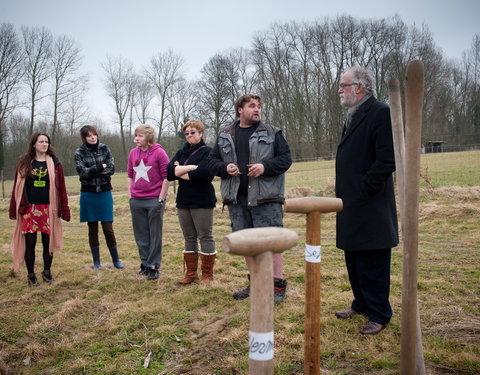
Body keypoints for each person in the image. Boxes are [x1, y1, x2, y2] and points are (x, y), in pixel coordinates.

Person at [208, 94, 292, 304]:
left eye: (259, 106)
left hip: (266, 198)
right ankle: (256, 282)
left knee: (272, 242)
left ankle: (276, 285)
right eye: (252, 106)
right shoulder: (225, 134)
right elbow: (211, 161)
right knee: (247, 243)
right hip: (237, 198)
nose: (257, 110)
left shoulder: (272, 132)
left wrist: (265, 167)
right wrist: (224, 168)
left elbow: (286, 159)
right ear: (240, 110)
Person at [334, 66, 399, 335]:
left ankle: (380, 313)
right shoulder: (352, 116)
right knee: (354, 256)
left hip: (370, 203)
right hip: (350, 203)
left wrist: (364, 188)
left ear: (359, 87)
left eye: (343, 85)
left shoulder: (380, 112)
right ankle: (360, 303)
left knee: (373, 260)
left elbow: (387, 159)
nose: (339, 90)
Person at [9, 132, 71, 286]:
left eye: (46, 142)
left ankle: (47, 272)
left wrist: (65, 209)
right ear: (34, 144)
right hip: (30, 209)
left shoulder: (55, 163)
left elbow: (61, 188)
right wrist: (13, 208)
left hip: (49, 208)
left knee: (47, 242)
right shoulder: (25, 162)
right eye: (41, 141)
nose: (44, 144)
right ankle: (31, 275)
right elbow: (17, 186)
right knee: (30, 243)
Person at [167, 120, 217, 285]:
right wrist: (190, 168)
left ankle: (207, 275)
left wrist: (179, 169)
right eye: (187, 133)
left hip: (202, 199)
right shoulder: (181, 152)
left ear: (201, 133)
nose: (189, 135)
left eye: (193, 132)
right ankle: (191, 274)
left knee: (205, 236)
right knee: (189, 236)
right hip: (183, 199)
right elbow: (169, 172)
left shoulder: (208, 152)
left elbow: (204, 174)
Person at [74, 125, 124, 270]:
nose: (92, 137)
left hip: (104, 192)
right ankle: (96, 262)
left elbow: (111, 169)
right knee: (92, 229)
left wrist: (95, 171)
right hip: (88, 194)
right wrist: (100, 167)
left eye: (94, 134)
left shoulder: (105, 149)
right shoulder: (79, 152)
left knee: (108, 229)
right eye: (89, 135)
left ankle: (116, 260)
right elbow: (82, 172)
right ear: (84, 138)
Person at [128, 124, 170, 280]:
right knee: (141, 235)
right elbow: (130, 175)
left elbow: (167, 176)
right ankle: (145, 263)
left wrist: (161, 197)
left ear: (149, 137)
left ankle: (154, 266)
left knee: (155, 235)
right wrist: (130, 196)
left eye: (140, 136)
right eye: (136, 135)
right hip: (136, 200)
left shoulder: (160, 153)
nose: (136, 139)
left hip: (154, 199)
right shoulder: (133, 153)